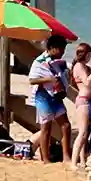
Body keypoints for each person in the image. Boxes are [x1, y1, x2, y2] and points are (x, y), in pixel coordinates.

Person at [27, 35, 72, 165]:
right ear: (52, 48)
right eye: (61, 49)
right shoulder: (40, 61)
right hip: (43, 96)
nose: (63, 52)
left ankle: (66, 156)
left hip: (56, 96)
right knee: (46, 128)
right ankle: (45, 159)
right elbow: (32, 80)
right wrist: (49, 80)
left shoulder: (57, 61)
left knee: (65, 125)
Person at [68, 42, 91, 171]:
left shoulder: (84, 66)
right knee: (83, 132)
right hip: (83, 101)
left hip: (87, 101)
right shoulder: (79, 66)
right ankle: (73, 162)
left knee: (86, 133)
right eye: (89, 54)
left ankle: (82, 160)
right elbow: (87, 82)